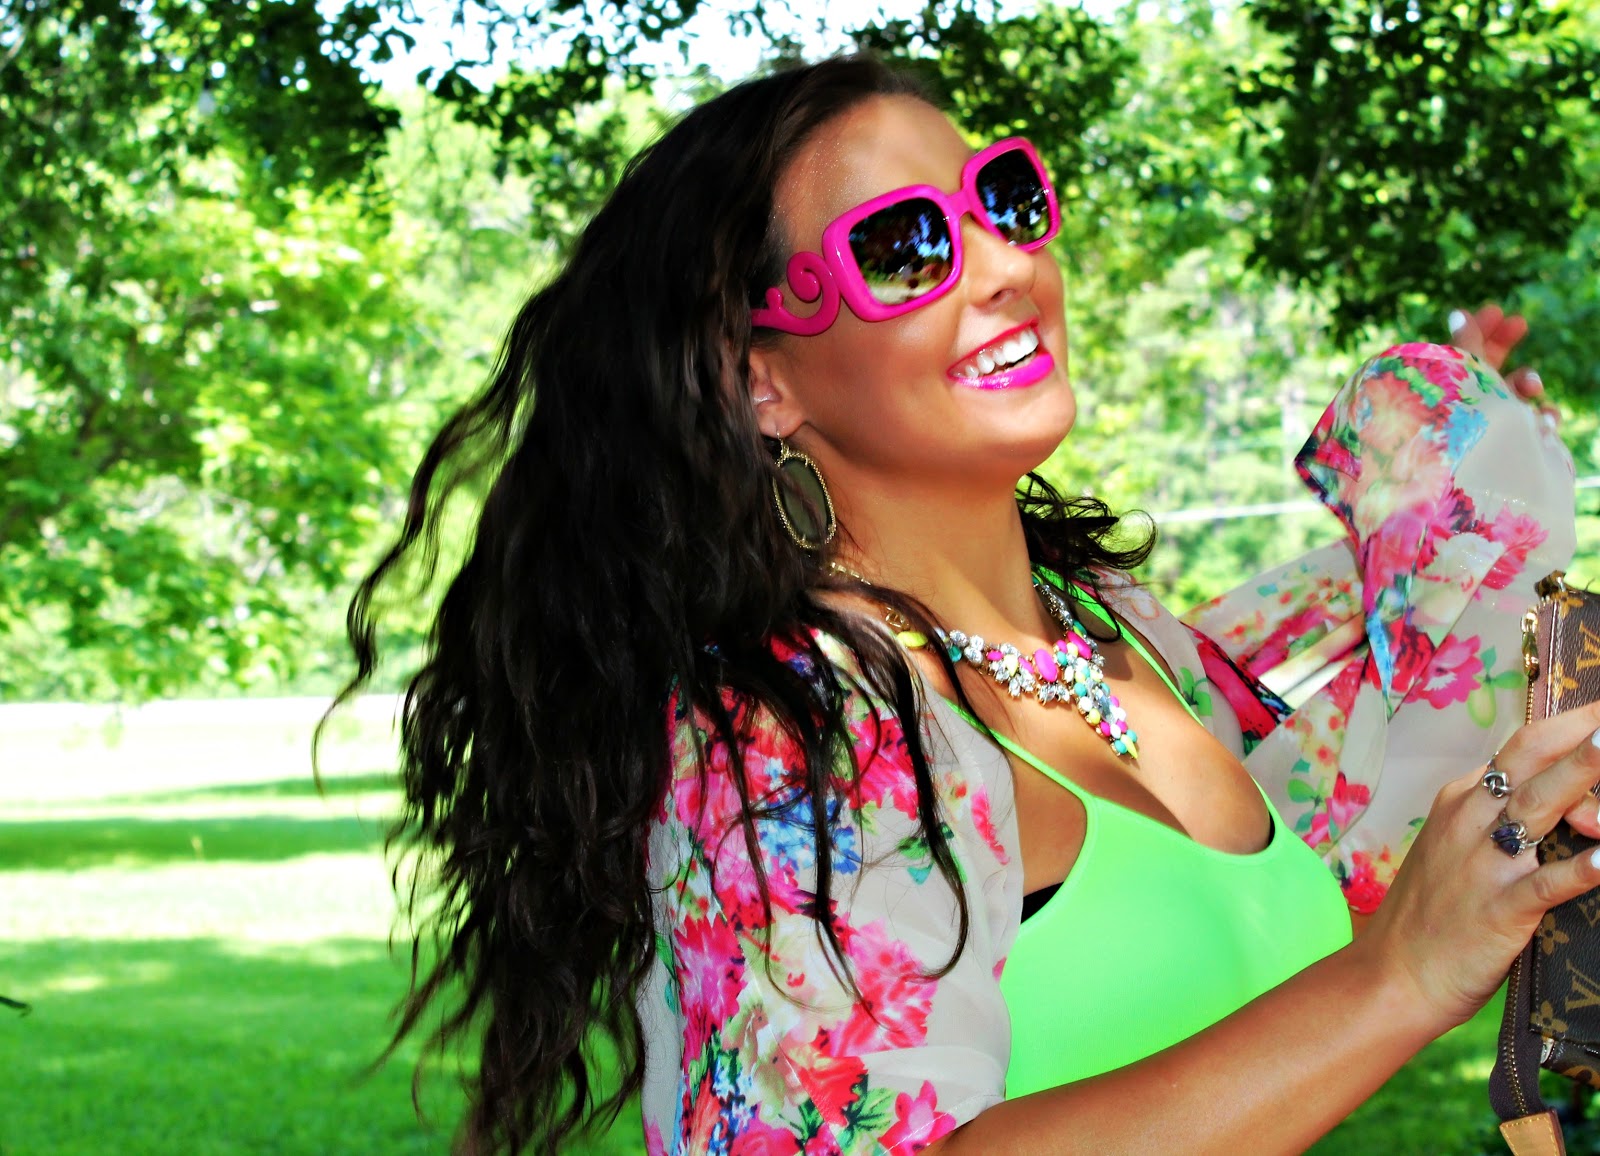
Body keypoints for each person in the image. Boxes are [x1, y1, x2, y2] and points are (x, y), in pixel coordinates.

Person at [337, 54, 1593, 1155]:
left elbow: (1385, 743)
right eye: (902, 246)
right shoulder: (790, 736)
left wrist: (1475, 455)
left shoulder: (1113, 632)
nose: (1002, 264)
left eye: (1003, 202)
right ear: (762, 380)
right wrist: (1395, 980)